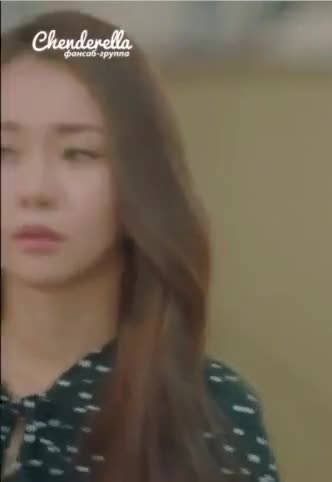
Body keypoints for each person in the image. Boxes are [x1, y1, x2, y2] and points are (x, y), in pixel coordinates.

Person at [0, 11, 280, 482]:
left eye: (79, 153)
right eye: (4, 152)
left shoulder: (210, 417)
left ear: (140, 177)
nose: (36, 190)